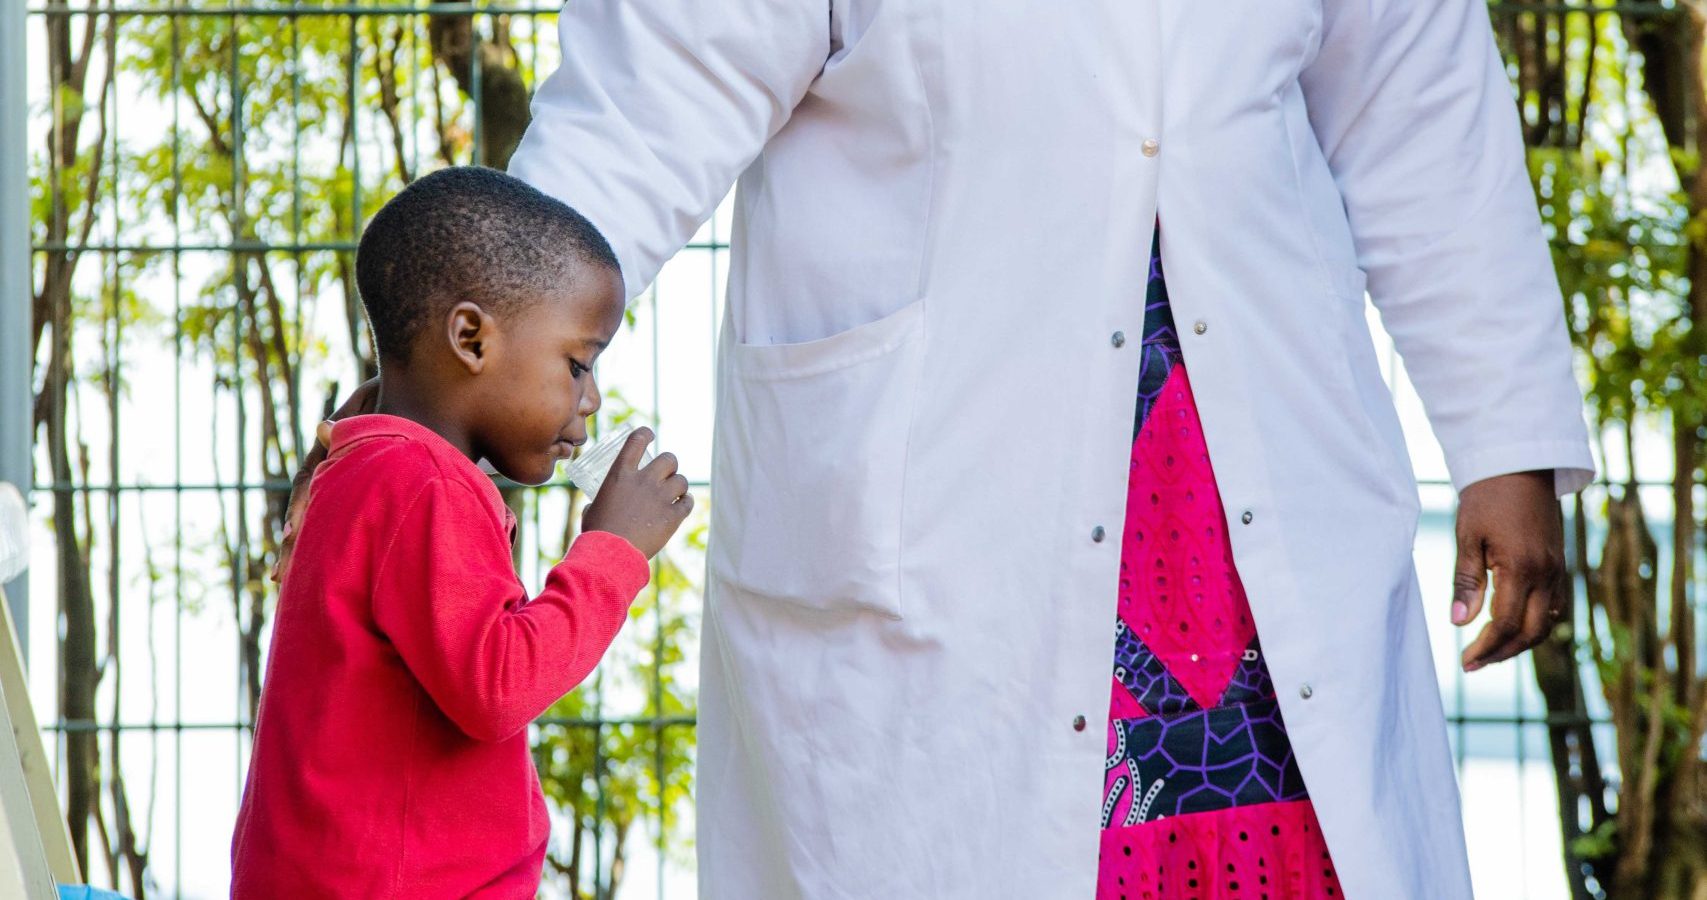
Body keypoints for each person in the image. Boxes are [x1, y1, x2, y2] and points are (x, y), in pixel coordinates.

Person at [289, 3, 1595, 897]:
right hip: (941, 492)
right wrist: (449, 386)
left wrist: (1506, 435)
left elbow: (1417, 101)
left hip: (1247, 498)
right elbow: (646, 101)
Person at [232, 167, 693, 896]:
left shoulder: (363, 466)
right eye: (577, 364)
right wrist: (613, 551)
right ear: (472, 338)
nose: (592, 399)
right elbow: (496, 684)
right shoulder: (425, 484)